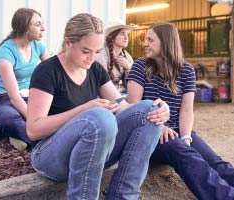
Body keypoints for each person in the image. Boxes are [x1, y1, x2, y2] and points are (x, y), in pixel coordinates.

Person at [126, 22, 234, 200]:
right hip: (149, 134)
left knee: (217, 163)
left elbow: (187, 110)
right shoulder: (140, 66)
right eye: (146, 40)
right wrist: (158, 127)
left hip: (178, 132)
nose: (145, 44)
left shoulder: (186, 70)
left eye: (150, 39)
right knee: (189, 157)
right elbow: (135, 108)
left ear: (166, 42)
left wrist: (187, 136)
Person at [26, 13, 169, 199]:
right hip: (49, 157)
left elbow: (123, 107)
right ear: (68, 43)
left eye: (97, 51)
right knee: (99, 118)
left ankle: (123, 196)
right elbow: (33, 129)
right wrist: (84, 109)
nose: (92, 58)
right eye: (86, 51)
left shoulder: (94, 69)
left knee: (149, 110)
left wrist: (159, 112)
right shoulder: (47, 71)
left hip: (89, 152)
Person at [0, 8, 50, 151]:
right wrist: (35, 120)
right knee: (9, 119)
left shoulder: (38, 46)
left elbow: (53, 72)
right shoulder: (5, 53)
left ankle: (20, 135)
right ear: (25, 27)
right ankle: (46, 144)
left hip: (32, 97)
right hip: (8, 99)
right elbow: (14, 97)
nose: (43, 28)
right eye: (38, 24)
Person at [95, 19, 136, 93]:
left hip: (122, 94)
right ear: (112, 37)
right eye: (122, 33)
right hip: (105, 96)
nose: (126, 38)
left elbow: (134, 86)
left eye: (127, 34)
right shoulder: (101, 56)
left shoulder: (127, 56)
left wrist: (129, 68)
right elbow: (101, 85)